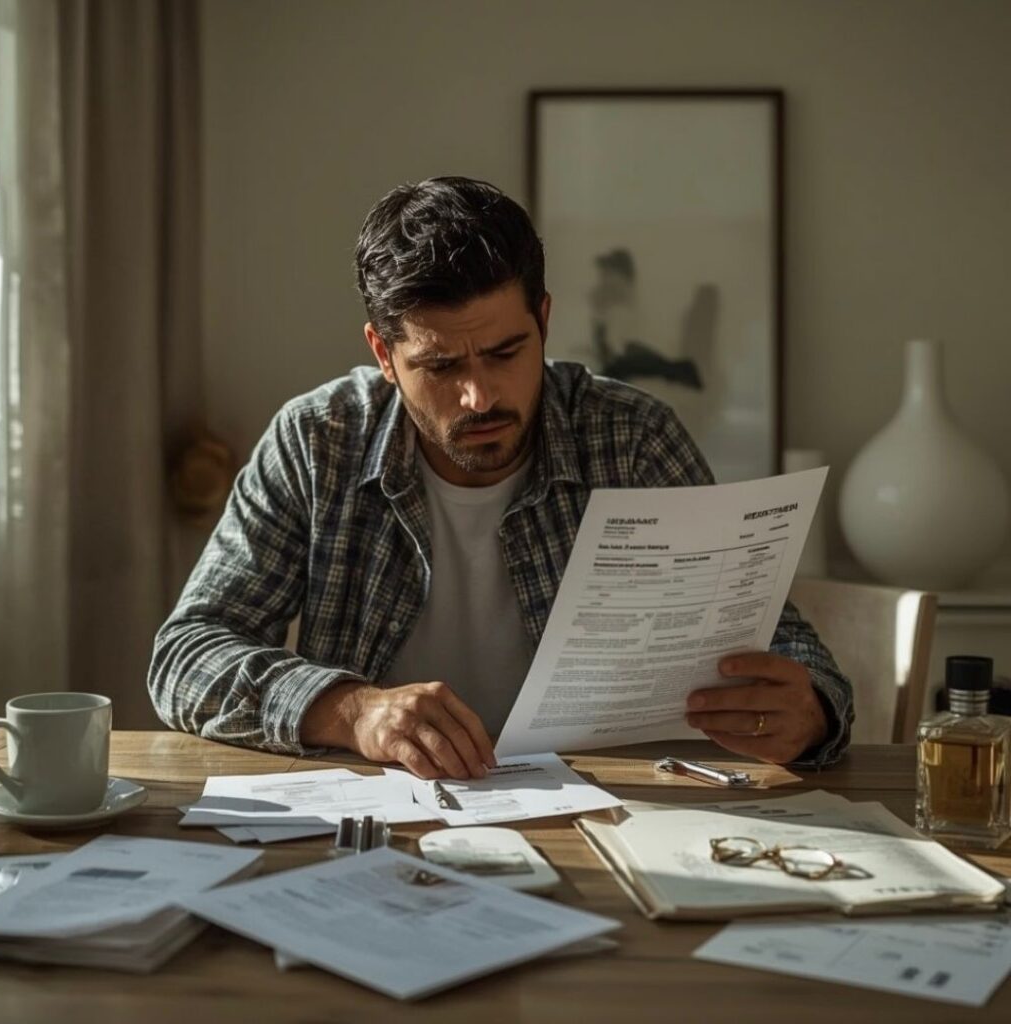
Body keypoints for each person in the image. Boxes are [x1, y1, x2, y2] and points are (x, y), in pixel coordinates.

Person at [148, 176, 852, 781]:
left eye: (505, 351)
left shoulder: (631, 439)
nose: (479, 397)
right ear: (383, 354)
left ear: (544, 320)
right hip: (383, 822)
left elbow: (782, 647)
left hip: (615, 811)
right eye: (441, 366)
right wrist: (353, 710)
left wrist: (812, 715)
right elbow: (185, 656)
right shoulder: (317, 441)